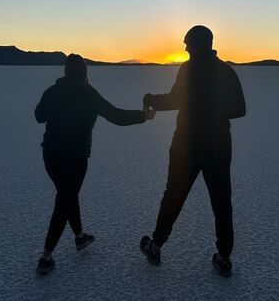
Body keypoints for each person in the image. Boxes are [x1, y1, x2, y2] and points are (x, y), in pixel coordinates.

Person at [140, 25, 246, 277]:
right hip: (219, 146)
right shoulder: (226, 71)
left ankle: (155, 246)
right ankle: (224, 257)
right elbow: (239, 108)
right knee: (221, 201)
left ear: (196, 45)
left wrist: (151, 98)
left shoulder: (188, 69)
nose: (185, 48)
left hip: (187, 146)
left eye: (187, 43)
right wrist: (217, 111)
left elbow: (175, 100)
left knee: (174, 195)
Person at [34, 53, 154, 274]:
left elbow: (39, 116)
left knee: (67, 194)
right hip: (76, 156)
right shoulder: (88, 93)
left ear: (65, 71)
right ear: (84, 72)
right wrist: (143, 116)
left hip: (50, 155)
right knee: (65, 199)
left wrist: (50, 102)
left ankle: (80, 237)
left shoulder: (53, 91)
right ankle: (46, 257)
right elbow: (116, 116)